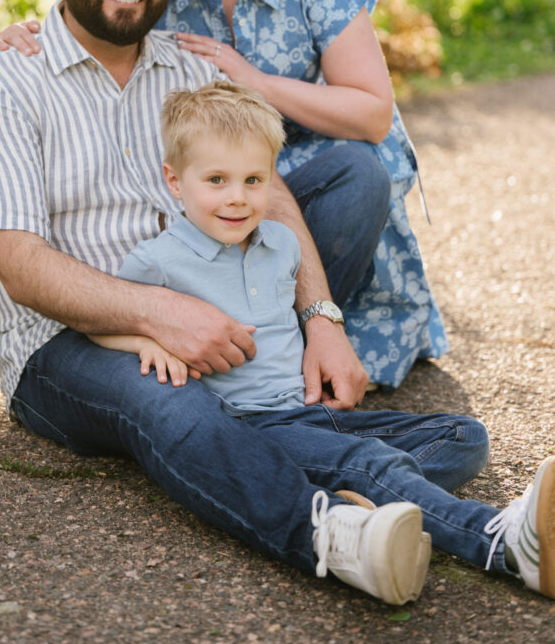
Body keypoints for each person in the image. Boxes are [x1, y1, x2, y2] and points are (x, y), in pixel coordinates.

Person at [0, 0, 555, 606]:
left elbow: (268, 193)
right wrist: (156, 315)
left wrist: (320, 319)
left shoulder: (188, 67)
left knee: (457, 439)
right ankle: (389, 537)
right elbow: (19, 266)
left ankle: (232, 454)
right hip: (71, 348)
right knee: (169, 405)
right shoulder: (4, 83)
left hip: (223, 318)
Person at [0, 0, 447, 390]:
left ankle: (296, 342)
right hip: (211, 205)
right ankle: (227, 346)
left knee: (360, 174)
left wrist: (253, 81)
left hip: (311, 190)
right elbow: (95, 1)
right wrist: (25, 33)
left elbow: (373, 114)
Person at [86, 78, 555, 605]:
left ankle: (337, 494)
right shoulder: (157, 260)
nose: (237, 197)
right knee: (372, 463)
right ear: (175, 180)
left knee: (464, 436)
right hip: (253, 425)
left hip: (310, 412)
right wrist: (141, 342)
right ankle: (502, 544)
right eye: (215, 180)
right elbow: (102, 317)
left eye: (253, 179)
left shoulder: (281, 243)